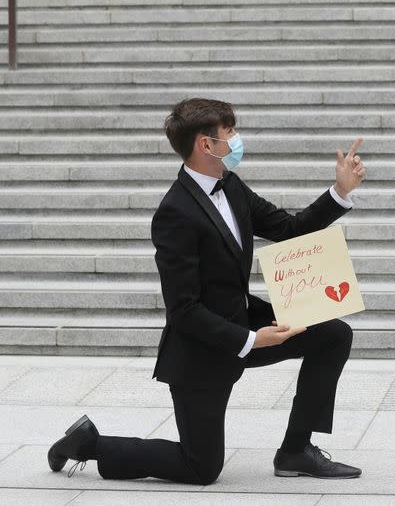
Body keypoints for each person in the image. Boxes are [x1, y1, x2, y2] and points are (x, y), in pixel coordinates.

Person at [47, 97, 367, 484]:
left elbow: (287, 229)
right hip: (201, 351)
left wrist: (339, 191)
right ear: (206, 144)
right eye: (230, 132)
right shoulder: (175, 213)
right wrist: (251, 339)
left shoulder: (229, 185)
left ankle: (296, 450)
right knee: (200, 468)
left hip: (243, 320)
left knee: (332, 336)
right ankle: (89, 444)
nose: (237, 139)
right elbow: (183, 310)